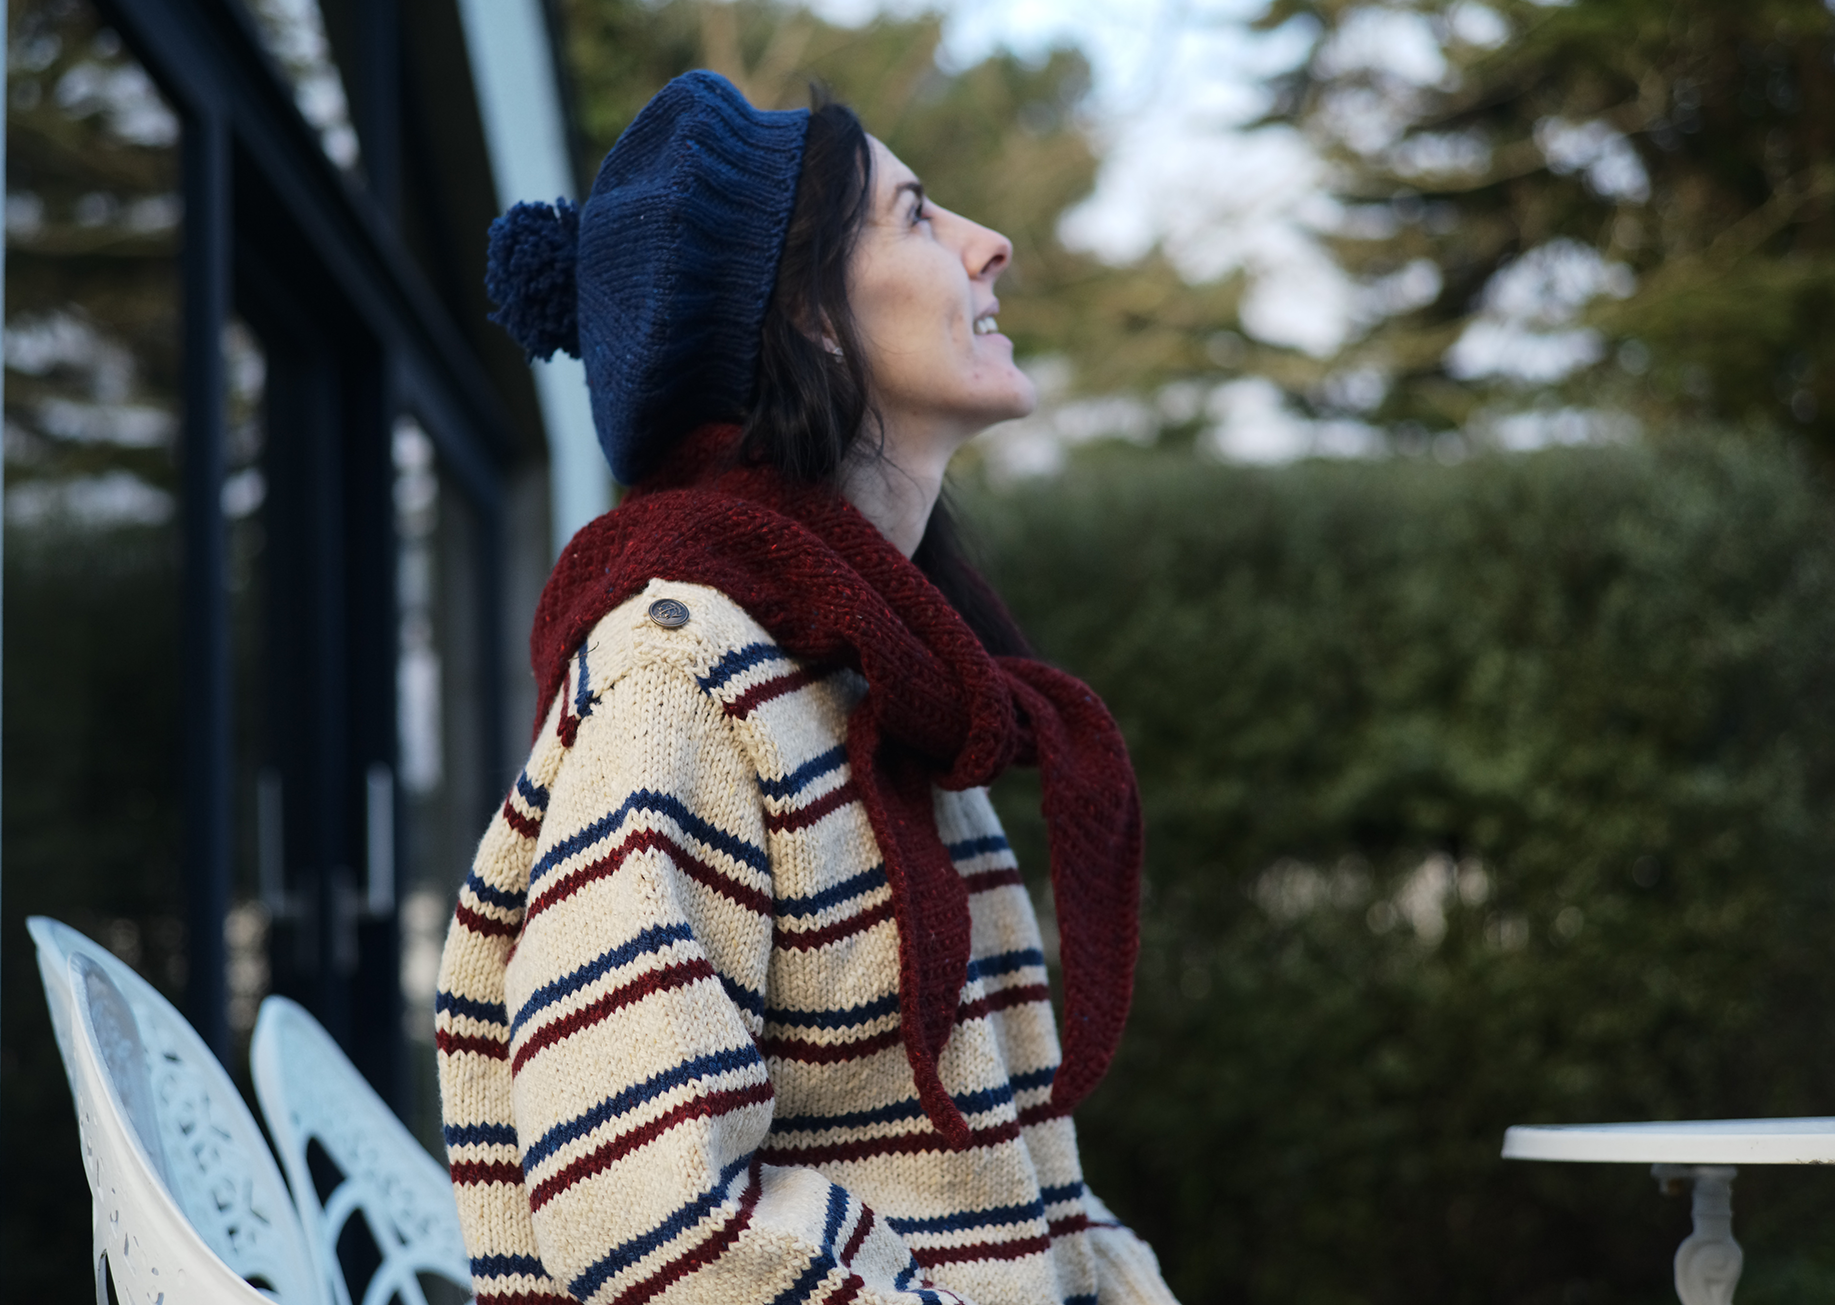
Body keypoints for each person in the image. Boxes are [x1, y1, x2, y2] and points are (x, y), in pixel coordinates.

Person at [436, 70, 1179, 1305]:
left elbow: (1020, 1186)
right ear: (809, 316)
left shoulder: (885, 689)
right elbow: (647, 1221)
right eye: (915, 213)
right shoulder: (680, 681)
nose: (989, 244)